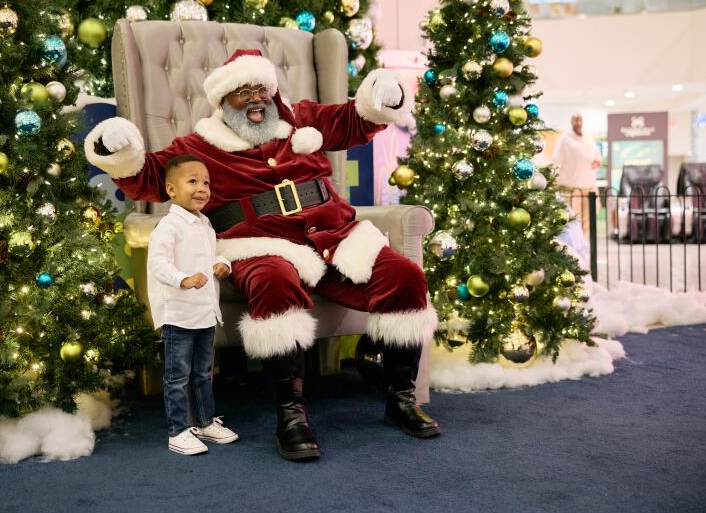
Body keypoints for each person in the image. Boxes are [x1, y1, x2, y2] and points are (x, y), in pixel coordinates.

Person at [85, 49, 440, 462]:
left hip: (335, 235)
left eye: (260, 89)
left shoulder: (301, 118)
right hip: (259, 245)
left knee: (405, 276)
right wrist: (121, 153)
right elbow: (149, 177)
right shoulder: (200, 145)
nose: (255, 99)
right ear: (222, 101)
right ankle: (290, 416)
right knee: (273, 281)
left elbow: (355, 121)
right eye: (241, 92)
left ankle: (401, 399)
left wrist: (384, 98)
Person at [147, 154, 238, 456]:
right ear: (171, 190)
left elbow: (211, 254)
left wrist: (222, 262)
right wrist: (183, 279)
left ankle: (204, 421)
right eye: (193, 182)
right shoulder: (168, 226)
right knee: (177, 376)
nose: (202, 188)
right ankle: (178, 431)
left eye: (206, 183)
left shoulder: (205, 223)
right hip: (179, 315)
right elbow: (158, 264)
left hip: (204, 313)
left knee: (203, 373)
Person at [551, 113, 602, 237]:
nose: (578, 123)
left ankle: (583, 240)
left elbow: (596, 154)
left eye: (580, 121)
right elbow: (556, 160)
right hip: (570, 185)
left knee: (589, 214)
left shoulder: (588, 137)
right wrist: (553, 179)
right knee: (573, 217)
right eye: (576, 121)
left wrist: (597, 160)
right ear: (571, 122)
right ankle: (573, 243)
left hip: (588, 185)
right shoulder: (564, 139)